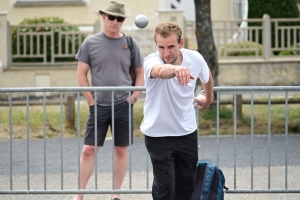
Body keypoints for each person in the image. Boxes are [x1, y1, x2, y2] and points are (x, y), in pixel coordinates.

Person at [73, 1, 144, 200]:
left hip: (123, 104)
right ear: (103, 17)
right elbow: (81, 74)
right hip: (99, 105)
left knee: (121, 150)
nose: (115, 21)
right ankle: (79, 195)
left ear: (123, 21)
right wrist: (91, 102)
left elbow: (140, 73)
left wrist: (134, 98)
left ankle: (116, 194)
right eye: (111, 17)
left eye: (119, 18)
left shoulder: (130, 43)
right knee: (88, 150)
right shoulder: (90, 43)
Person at [140, 22, 214, 200]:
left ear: (180, 43)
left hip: (186, 132)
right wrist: (176, 69)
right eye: (161, 47)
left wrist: (209, 97)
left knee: (186, 188)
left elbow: (207, 75)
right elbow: (160, 71)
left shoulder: (195, 58)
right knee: (165, 188)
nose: (166, 53)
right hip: (157, 133)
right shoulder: (152, 61)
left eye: (171, 47)